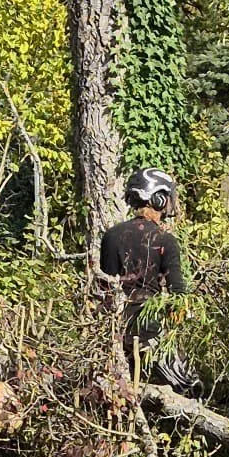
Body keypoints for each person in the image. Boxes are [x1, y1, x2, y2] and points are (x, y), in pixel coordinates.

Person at [98, 168, 195, 392]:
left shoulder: (111, 236)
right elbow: (178, 292)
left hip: (115, 329)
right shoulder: (165, 240)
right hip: (149, 330)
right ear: (158, 199)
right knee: (189, 386)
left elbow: (105, 289)